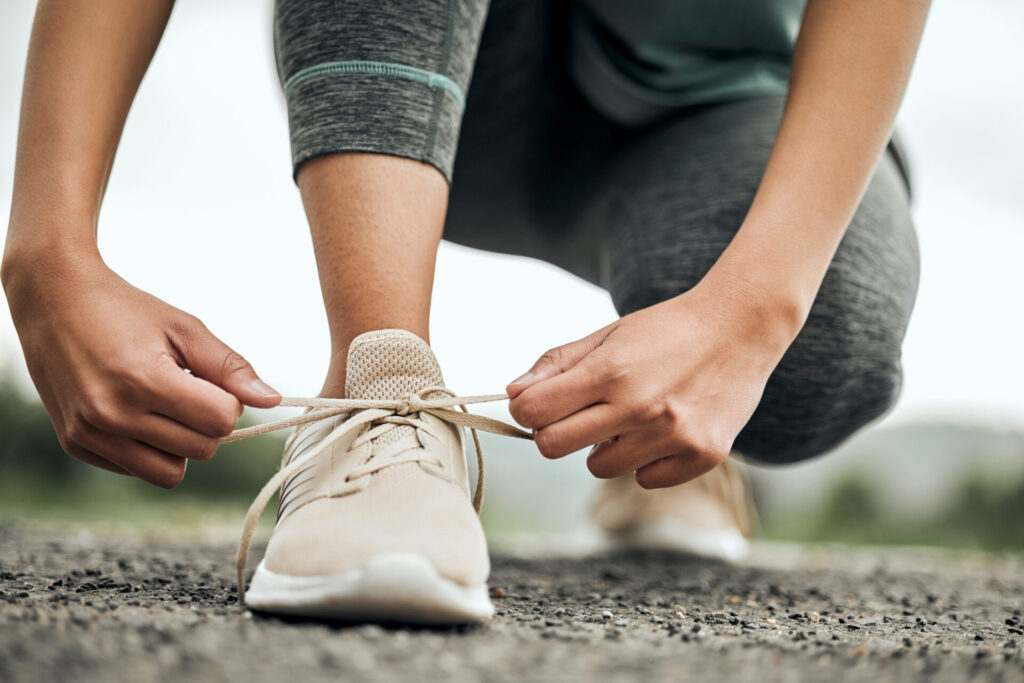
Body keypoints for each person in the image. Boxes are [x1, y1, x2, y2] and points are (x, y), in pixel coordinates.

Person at [1, 0, 927, 623]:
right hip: (436, 71)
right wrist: (49, 251)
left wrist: (749, 310)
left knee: (825, 342)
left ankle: (660, 451)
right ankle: (378, 393)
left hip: (723, 88)